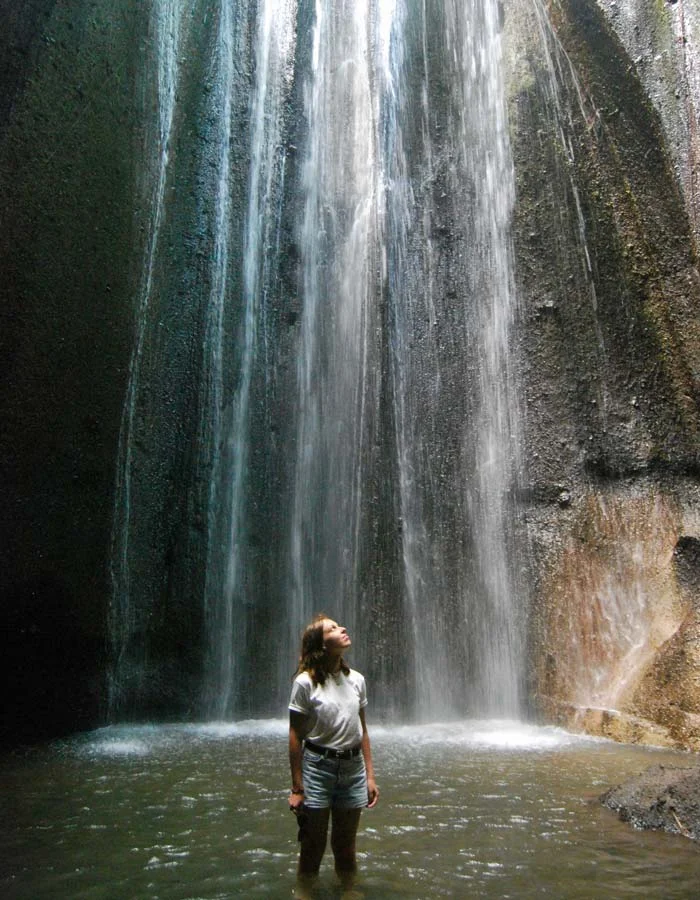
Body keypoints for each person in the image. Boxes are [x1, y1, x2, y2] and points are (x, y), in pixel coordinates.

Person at [288, 614, 379, 898]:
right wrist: (297, 787)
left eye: (340, 625)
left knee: (346, 846)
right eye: (333, 628)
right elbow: (295, 735)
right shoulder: (305, 683)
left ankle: (349, 892)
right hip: (318, 767)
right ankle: (305, 894)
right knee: (312, 845)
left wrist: (370, 776)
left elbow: (362, 730)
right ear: (320, 644)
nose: (343, 629)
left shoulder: (357, 680)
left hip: (352, 769)